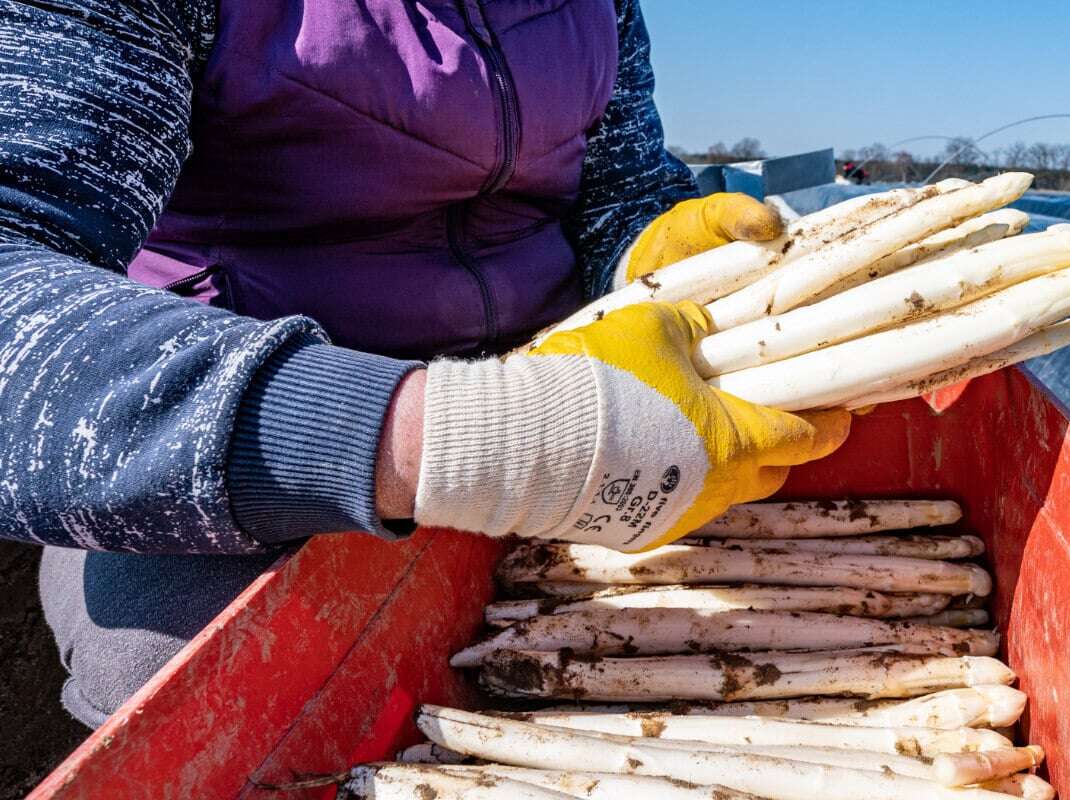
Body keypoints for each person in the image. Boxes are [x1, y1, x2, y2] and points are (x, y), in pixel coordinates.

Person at [0, 0, 850, 728]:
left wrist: (646, 258)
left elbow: (614, 193)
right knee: (179, 681)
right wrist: (466, 435)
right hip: (261, 440)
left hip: (583, 395)